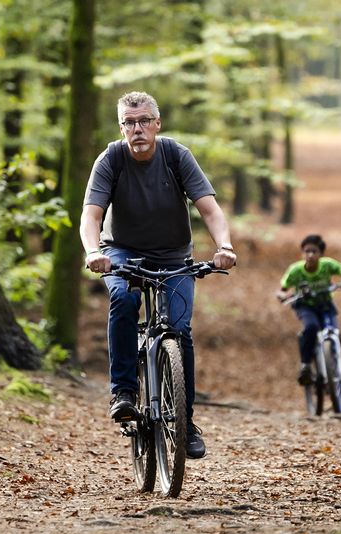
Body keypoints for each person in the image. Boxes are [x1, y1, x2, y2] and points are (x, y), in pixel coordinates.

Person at [80, 91, 236, 459]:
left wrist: (225, 246)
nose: (137, 129)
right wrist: (93, 252)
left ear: (157, 124)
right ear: (121, 128)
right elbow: (91, 215)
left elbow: (210, 210)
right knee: (124, 299)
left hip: (173, 255)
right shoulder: (110, 159)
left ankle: (186, 423)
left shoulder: (176, 155)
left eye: (144, 121)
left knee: (179, 331)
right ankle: (123, 392)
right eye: (129, 123)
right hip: (121, 252)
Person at [276, 234, 341, 390]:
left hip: (325, 305)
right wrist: (283, 296)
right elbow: (281, 290)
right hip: (305, 306)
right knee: (311, 327)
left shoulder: (328, 265)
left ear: (321, 254)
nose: (310, 255)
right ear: (302, 253)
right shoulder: (296, 270)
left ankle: (340, 373)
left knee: (334, 333)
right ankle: (305, 366)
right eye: (307, 251)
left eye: (314, 251)